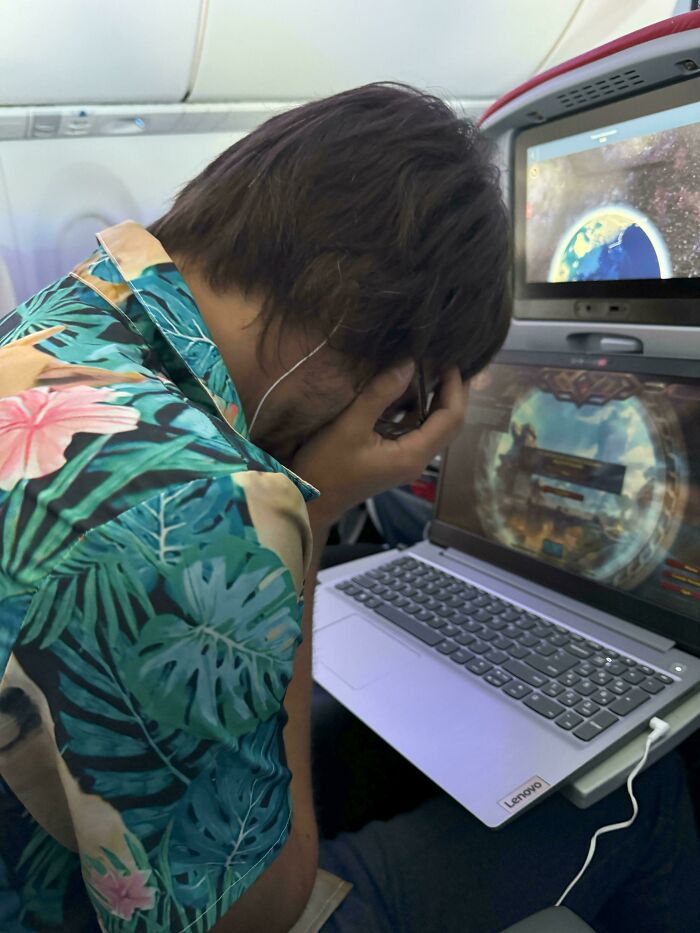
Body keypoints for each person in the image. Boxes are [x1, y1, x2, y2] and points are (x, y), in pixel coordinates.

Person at [0, 83, 696, 933]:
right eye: (408, 404)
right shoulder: (211, 506)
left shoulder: (61, 318)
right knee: (645, 791)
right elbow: (262, 911)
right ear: (369, 342)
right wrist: (312, 511)